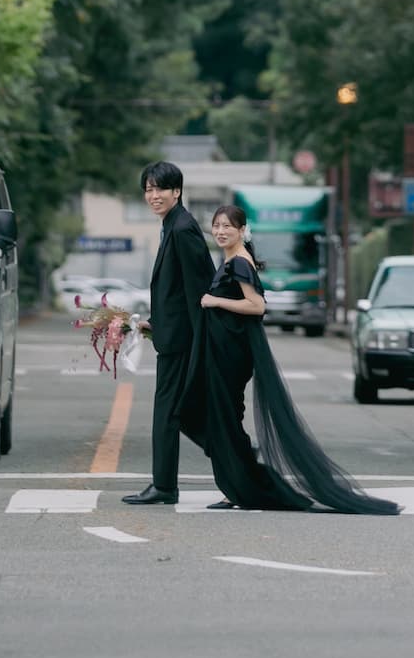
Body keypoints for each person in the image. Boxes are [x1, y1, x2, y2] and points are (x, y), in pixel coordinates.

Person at [185, 206, 399, 514]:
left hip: (232, 356)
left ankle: (243, 486)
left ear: (242, 230)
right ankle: (239, 484)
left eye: (227, 227)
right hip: (225, 352)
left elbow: (257, 306)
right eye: (216, 226)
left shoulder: (240, 263)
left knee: (226, 419)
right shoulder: (232, 260)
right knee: (221, 419)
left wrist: (214, 300)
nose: (220, 231)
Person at [123, 162, 213, 505]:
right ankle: (236, 452)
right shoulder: (172, 225)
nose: (153, 195)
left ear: (177, 191)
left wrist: (199, 342)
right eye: (148, 189)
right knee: (181, 412)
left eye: (160, 188)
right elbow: (176, 292)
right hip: (175, 336)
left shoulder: (183, 228)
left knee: (167, 413)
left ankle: (164, 486)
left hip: (184, 342)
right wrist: (155, 322)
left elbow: (199, 289)